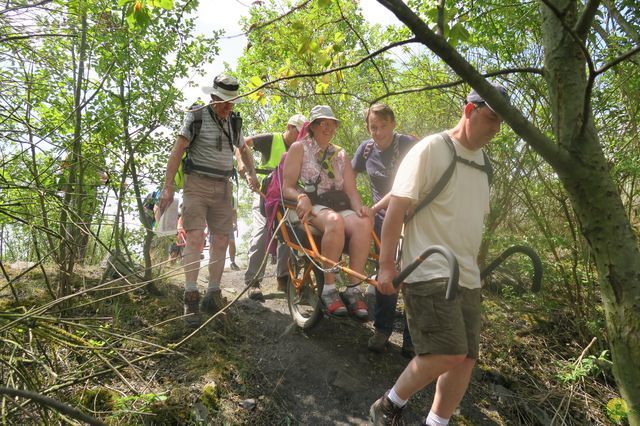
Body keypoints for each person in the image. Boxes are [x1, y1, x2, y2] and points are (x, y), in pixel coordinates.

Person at [369, 83, 509, 426]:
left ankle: (436, 423)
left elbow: (468, 218)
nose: (496, 128)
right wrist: (387, 266)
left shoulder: (484, 164)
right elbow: (397, 209)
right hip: (428, 267)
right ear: (469, 111)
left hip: (467, 274)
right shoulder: (432, 148)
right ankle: (388, 405)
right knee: (448, 349)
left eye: (501, 122)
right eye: (491, 119)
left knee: (465, 358)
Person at [159, 73, 259, 327]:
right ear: (213, 97)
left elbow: (243, 149)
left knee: (222, 238)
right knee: (194, 236)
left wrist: (252, 175)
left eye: (231, 102)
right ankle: (191, 295)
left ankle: (213, 293)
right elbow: (178, 149)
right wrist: (168, 186)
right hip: (196, 184)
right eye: (224, 101)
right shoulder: (196, 116)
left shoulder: (234, 121)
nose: (228, 106)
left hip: (224, 187)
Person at [281, 105, 372, 319]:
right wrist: (301, 197)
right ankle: (329, 289)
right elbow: (287, 187)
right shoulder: (299, 148)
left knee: (363, 223)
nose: (327, 127)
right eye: (322, 123)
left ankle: (354, 288)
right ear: (312, 126)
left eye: (331, 123)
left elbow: (351, 190)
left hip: (338, 204)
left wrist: (359, 207)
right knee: (334, 221)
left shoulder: (340, 153)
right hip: (310, 205)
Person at [351, 104, 417, 354]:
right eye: (372, 127)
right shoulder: (366, 150)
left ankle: (412, 340)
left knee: (411, 274)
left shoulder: (409, 145)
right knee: (385, 272)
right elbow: (348, 176)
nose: (377, 132)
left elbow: (406, 185)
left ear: (393, 123)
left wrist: (374, 205)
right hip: (381, 221)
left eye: (383, 126)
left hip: (411, 218)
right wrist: (357, 204)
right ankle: (382, 330)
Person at [240, 113, 307, 300]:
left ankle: (284, 279)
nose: (301, 135)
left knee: (289, 234)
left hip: (287, 197)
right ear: (289, 127)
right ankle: (253, 282)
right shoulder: (272, 139)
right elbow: (242, 144)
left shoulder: (301, 148)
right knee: (262, 234)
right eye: (298, 131)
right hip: (265, 195)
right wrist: (246, 170)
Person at [228, 202, 240, 271]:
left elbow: (234, 212)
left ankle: (232, 262)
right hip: (217, 222)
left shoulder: (232, 198)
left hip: (228, 224)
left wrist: (235, 223)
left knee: (232, 242)